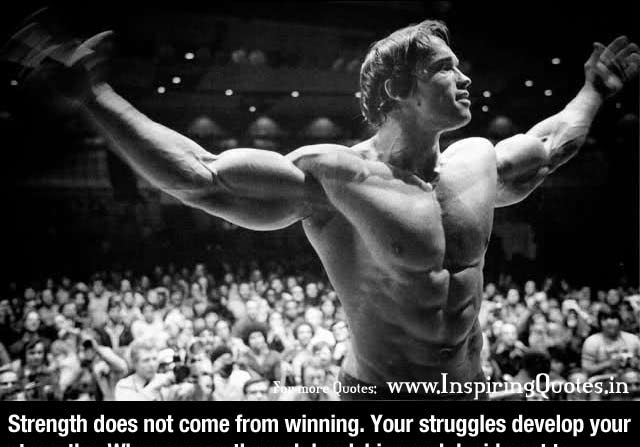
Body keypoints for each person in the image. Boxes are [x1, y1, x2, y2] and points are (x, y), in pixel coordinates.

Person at [7, 18, 638, 400]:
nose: (465, 79)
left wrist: (593, 90)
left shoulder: (477, 162)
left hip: (469, 396)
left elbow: (552, 146)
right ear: (399, 88)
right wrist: (96, 95)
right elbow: (201, 178)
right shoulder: (336, 177)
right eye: (447, 69)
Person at [581, 311, 640, 377]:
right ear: (600, 323)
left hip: (631, 378)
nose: (609, 322)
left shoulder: (632, 339)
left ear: (620, 320)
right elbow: (586, 369)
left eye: (613, 318)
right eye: (605, 319)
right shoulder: (592, 341)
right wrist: (608, 364)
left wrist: (636, 363)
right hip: (602, 379)